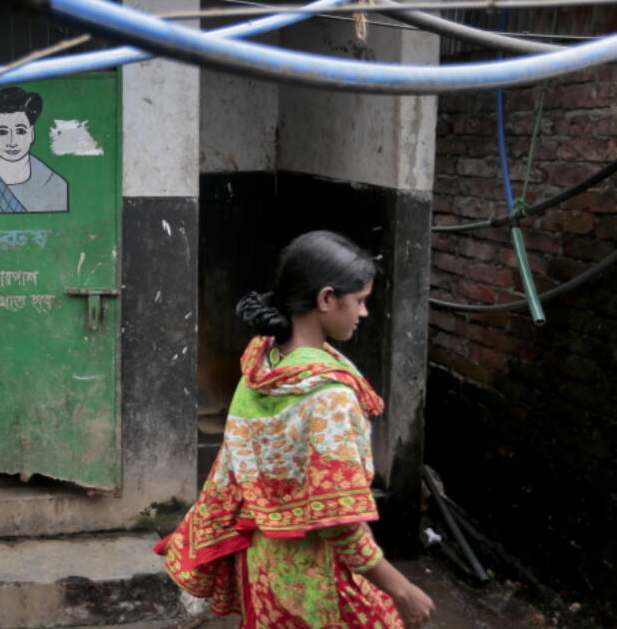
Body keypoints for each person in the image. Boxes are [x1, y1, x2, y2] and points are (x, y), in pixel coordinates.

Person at [155, 230, 435, 628]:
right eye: (359, 301)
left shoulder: (263, 361)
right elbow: (338, 522)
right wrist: (401, 588)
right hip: (312, 575)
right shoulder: (328, 398)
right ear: (325, 299)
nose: (364, 313)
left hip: (263, 562)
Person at [0, 86, 67, 213]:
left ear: (31, 134)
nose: (12, 142)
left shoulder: (56, 186)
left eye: (20, 131)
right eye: (2, 132)